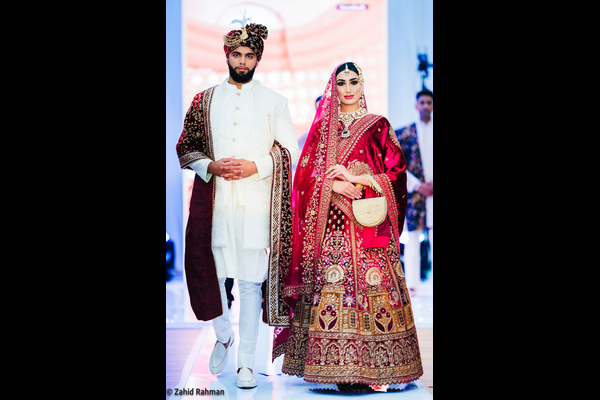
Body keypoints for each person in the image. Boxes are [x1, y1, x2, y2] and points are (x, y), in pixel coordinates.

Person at [272, 62, 423, 390]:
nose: (348, 88)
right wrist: (334, 186)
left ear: (362, 84)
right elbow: (304, 179)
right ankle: (338, 370)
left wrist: (358, 178)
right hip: (334, 229)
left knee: (372, 288)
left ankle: (379, 369)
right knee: (335, 288)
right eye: (341, 83)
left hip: (369, 226)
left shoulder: (378, 125)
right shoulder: (322, 129)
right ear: (334, 87)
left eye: (354, 81)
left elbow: (397, 173)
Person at [175, 17, 299, 389]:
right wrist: (210, 165)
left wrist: (255, 166)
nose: (242, 61)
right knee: (211, 275)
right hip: (214, 204)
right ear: (226, 55)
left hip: (256, 204)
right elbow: (186, 145)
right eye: (236, 55)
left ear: (258, 59)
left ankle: (245, 364)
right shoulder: (204, 100)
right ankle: (223, 334)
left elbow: (289, 151)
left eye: (248, 55)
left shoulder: (275, 102)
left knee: (248, 285)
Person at [395, 88, 433, 296]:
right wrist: (418, 185)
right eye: (422, 102)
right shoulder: (405, 133)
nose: (426, 106)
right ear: (416, 105)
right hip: (416, 193)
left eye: (429, 102)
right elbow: (397, 163)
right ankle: (413, 285)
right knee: (413, 238)